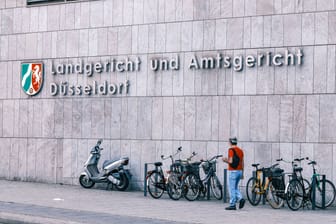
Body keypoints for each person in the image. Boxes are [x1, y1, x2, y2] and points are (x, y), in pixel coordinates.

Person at [223, 137, 245, 210]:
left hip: (233, 171)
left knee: (232, 188)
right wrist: (242, 173)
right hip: (239, 171)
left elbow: (231, 161)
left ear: (230, 142)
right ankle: (240, 199)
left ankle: (233, 204)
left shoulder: (231, 150)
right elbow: (242, 162)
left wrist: (225, 160)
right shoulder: (240, 150)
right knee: (235, 187)